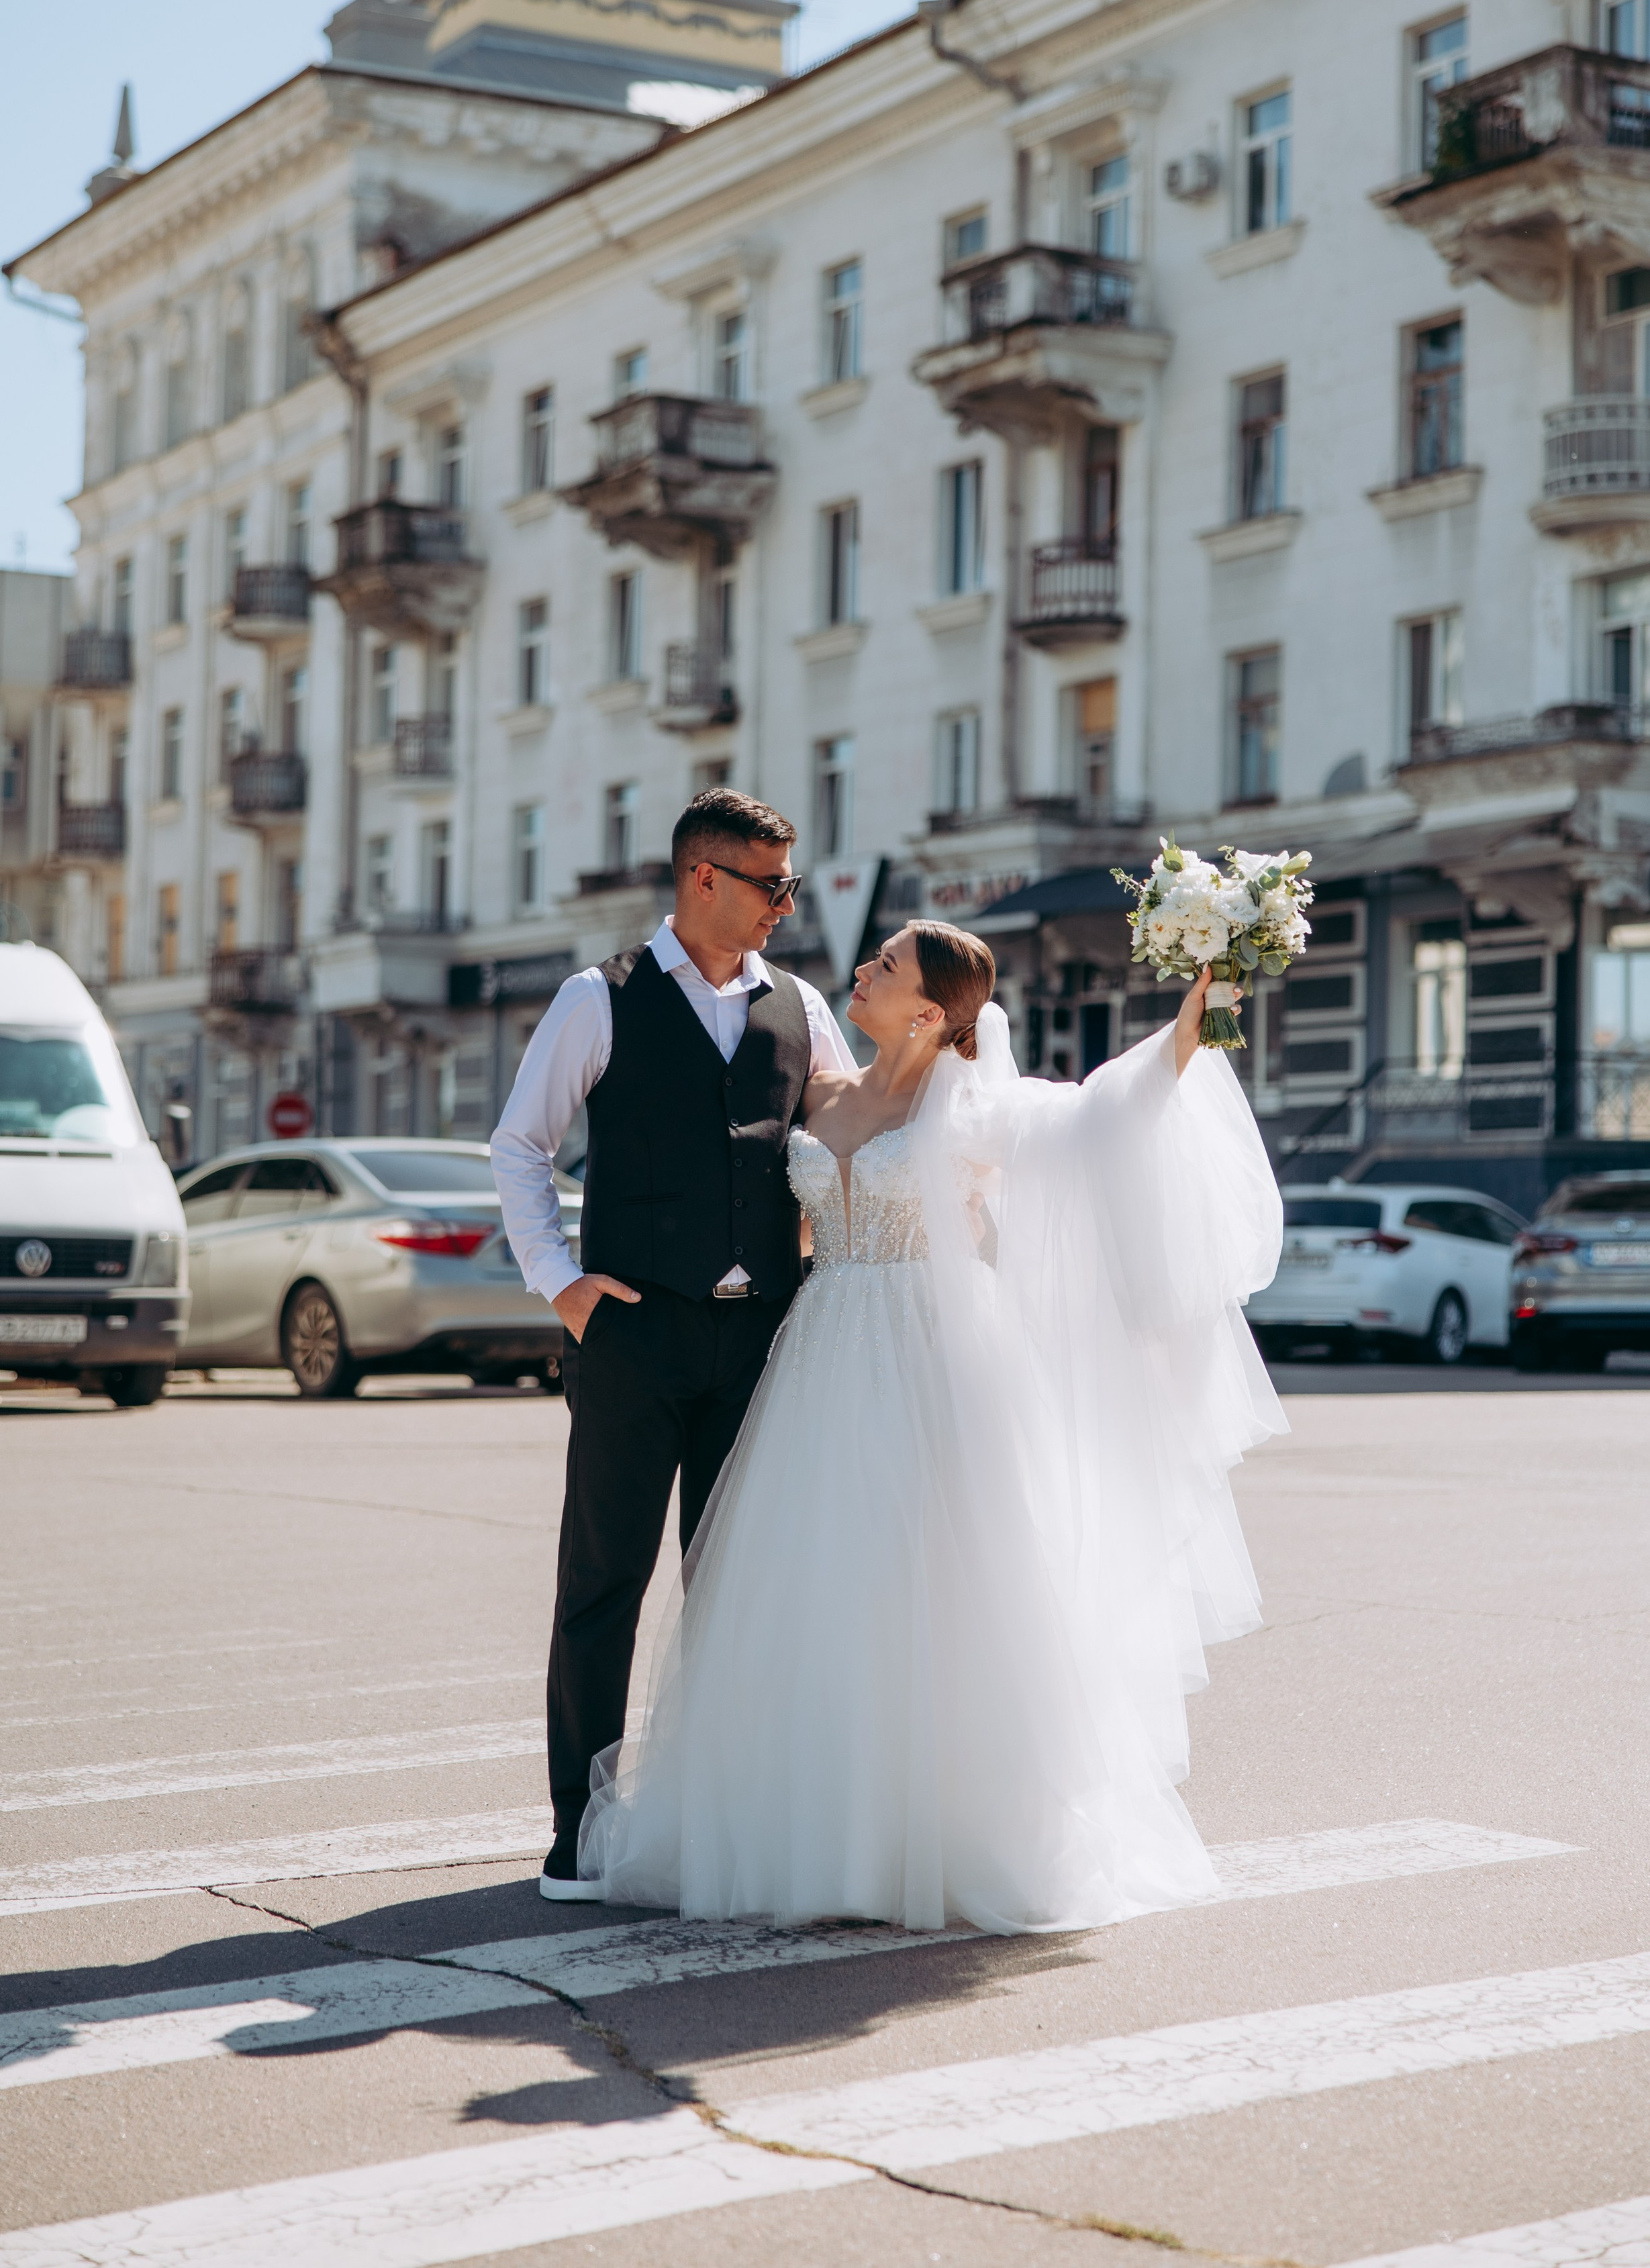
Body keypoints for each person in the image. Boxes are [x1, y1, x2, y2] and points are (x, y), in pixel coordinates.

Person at [569, 920, 1288, 1934]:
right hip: (820, 1355)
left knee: (941, 1591)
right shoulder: (819, 1096)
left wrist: (1197, 1016)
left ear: (929, 1012)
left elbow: (1101, 1116)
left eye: (886, 965)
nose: (861, 970)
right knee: (815, 1588)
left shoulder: (976, 1111)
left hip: (935, 1356)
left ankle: (948, 1832)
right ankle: (814, 1829)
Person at [491, 788, 858, 1901]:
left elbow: (864, 1125)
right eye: (770, 885)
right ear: (704, 877)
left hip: (759, 1344)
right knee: (605, 1583)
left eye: (789, 884)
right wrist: (563, 1287)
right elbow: (520, 1148)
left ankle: (716, 1819)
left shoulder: (801, 1007)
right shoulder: (596, 1001)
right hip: (633, 1338)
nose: (785, 907)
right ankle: (580, 1833)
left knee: (736, 1589)